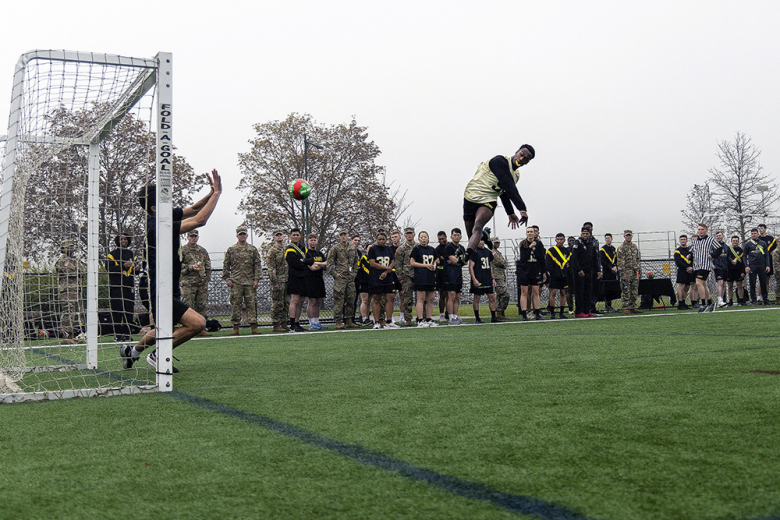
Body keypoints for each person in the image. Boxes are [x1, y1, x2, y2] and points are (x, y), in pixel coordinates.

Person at [122, 169, 222, 371]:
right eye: (164, 200)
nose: (169, 203)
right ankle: (159, 355)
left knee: (165, 328)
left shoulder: (165, 216)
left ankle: (131, 352)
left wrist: (211, 192)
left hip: (170, 286)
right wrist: (218, 194)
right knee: (198, 323)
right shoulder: (157, 226)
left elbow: (195, 209)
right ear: (154, 208)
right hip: (161, 289)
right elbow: (199, 220)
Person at [462, 145, 535, 259]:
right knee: (471, 235)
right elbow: (509, 186)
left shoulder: (515, 175)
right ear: (517, 151)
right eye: (521, 155)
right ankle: (483, 237)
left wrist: (510, 212)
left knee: (478, 225)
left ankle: (465, 257)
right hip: (472, 195)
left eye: (526, 159)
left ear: (527, 163)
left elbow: (504, 192)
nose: (521, 159)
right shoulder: (499, 161)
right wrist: (521, 208)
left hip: (489, 199)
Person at [223, 225, 263, 335]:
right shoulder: (231, 250)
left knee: (251, 304)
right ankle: (235, 327)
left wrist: (256, 279)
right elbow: (226, 265)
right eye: (240, 234)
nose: (242, 236)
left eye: (244, 234)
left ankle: (253, 326)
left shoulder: (252, 249)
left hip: (250, 282)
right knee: (236, 305)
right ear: (237, 236)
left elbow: (257, 265)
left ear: (247, 235)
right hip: (236, 282)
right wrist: (227, 279)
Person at [180, 230, 211, 336]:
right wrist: (190, 267)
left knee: (201, 305)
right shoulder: (182, 250)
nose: (194, 238)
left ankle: (200, 329)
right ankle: (187, 329)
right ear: (188, 237)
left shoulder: (202, 251)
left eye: (195, 236)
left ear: (198, 237)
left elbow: (207, 265)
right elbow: (178, 265)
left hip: (201, 283)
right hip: (188, 283)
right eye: (191, 236)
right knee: (187, 306)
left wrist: (207, 279)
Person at [106, 234, 137, 342]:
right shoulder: (112, 254)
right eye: (121, 239)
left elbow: (135, 271)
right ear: (117, 241)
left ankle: (128, 334)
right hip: (116, 288)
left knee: (129, 311)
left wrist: (137, 269)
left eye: (125, 239)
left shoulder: (131, 254)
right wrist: (123, 266)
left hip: (129, 287)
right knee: (117, 312)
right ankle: (118, 335)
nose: (124, 241)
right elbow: (109, 269)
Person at [327, 230, 360, 330]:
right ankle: (338, 321)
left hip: (350, 278)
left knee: (351, 300)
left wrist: (354, 274)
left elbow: (356, 262)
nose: (343, 236)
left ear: (348, 236)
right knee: (339, 301)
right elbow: (329, 262)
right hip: (340, 278)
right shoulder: (335, 248)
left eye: (345, 234)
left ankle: (349, 321)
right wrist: (334, 274)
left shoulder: (352, 247)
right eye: (341, 235)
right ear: (339, 237)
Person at [55, 239, 84, 344]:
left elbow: (82, 272)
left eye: (72, 246)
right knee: (67, 313)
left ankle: (72, 336)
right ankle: (66, 337)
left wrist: (78, 271)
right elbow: (69, 271)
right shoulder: (62, 260)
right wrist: (77, 271)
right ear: (63, 249)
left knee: (75, 314)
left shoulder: (74, 260)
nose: (71, 248)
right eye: (69, 247)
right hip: (67, 291)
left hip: (75, 290)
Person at [367, 232, 398, 329]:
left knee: (391, 297)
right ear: (376, 240)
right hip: (376, 277)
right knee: (376, 298)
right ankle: (376, 322)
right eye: (379, 239)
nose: (381, 241)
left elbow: (392, 261)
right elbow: (372, 263)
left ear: (386, 240)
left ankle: (389, 321)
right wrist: (385, 268)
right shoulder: (373, 249)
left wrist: (387, 271)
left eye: (383, 239)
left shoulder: (388, 249)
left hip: (388, 277)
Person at [286, 228, 314, 332]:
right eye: (294, 235)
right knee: (295, 301)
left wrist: (304, 261)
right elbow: (295, 263)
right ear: (290, 236)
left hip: (304, 277)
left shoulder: (303, 249)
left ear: (300, 236)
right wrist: (305, 263)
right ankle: (292, 324)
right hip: (294, 277)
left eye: (297, 235)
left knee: (301, 301)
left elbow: (311, 260)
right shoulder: (289, 249)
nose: (295, 236)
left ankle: (297, 323)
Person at [409, 231, 439, 327]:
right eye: (421, 237)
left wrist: (434, 265)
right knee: (421, 299)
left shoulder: (432, 249)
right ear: (419, 239)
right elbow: (412, 262)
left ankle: (428, 319)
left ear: (428, 239)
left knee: (431, 299)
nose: (424, 239)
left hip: (431, 277)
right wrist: (425, 265)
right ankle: (420, 320)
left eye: (425, 237)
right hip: (421, 277)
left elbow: (436, 260)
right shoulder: (416, 249)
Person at [570, 227, 601, 318]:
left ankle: (587, 311)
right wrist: (579, 269)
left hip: (589, 271)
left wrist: (598, 270)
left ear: (590, 234)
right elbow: (574, 259)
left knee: (588, 291)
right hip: (579, 272)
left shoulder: (592, 244)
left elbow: (595, 258)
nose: (585, 235)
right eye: (583, 233)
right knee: (579, 292)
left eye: (586, 233)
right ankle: (578, 311)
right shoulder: (578, 243)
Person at [517, 227, 546, 321]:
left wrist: (544, 272)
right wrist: (530, 248)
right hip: (524, 271)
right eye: (528, 232)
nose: (529, 233)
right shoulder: (523, 244)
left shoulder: (539, 244)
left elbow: (541, 258)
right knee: (524, 293)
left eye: (531, 232)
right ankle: (524, 314)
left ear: (535, 233)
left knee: (536, 292)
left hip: (535, 270)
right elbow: (523, 258)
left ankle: (537, 313)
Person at [468, 235, 498, 324]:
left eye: (482, 240)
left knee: (492, 296)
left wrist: (493, 278)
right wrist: (474, 279)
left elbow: (490, 266)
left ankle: (494, 317)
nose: (480, 242)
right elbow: (471, 267)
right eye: (479, 240)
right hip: (479, 278)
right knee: (477, 297)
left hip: (487, 278)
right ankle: (477, 318)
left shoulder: (488, 252)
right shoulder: (474, 252)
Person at [690, 223, 718, 313]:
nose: (700, 231)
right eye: (699, 229)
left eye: (702, 229)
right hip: (696, 266)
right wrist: (689, 256)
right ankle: (710, 302)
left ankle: (703, 303)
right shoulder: (694, 241)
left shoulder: (710, 240)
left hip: (705, 265)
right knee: (703, 284)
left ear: (706, 231)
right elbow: (691, 252)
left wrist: (712, 255)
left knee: (698, 282)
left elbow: (719, 249)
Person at [267, 230, 291, 332]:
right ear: (274, 238)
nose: (279, 236)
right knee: (277, 304)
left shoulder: (287, 249)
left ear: (284, 236)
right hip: (278, 281)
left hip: (287, 280)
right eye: (277, 235)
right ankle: (276, 324)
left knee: (286, 303)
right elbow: (271, 268)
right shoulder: (272, 251)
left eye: (280, 235)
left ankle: (284, 323)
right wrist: (274, 282)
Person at [443, 228, 466, 325]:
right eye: (454, 235)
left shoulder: (462, 248)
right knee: (451, 296)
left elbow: (465, 261)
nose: (456, 237)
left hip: (458, 274)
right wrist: (458, 260)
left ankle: (455, 317)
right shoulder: (448, 247)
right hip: (450, 274)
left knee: (457, 296)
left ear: (460, 237)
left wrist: (458, 261)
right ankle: (451, 317)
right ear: (451, 237)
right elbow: (454, 260)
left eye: (458, 235)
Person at [394, 227, 417, 326]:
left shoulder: (418, 246)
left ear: (414, 234)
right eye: (407, 234)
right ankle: (408, 318)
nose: (409, 235)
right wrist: (400, 277)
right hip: (407, 276)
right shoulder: (401, 248)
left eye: (411, 233)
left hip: (419, 275)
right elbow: (398, 264)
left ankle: (422, 317)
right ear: (405, 235)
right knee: (407, 298)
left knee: (421, 298)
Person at [616, 230, 642, 315]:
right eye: (627, 235)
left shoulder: (634, 247)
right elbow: (620, 261)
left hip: (634, 272)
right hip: (626, 272)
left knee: (634, 290)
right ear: (624, 236)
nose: (628, 237)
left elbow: (637, 259)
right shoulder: (621, 248)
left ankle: (632, 307)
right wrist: (622, 273)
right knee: (626, 290)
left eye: (629, 235)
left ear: (631, 236)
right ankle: (625, 307)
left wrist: (637, 269)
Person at [545, 233, 570, 320]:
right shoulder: (550, 251)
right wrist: (553, 272)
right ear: (555, 240)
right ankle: (552, 313)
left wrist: (566, 272)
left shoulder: (567, 251)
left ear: (564, 240)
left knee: (563, 292)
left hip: (564, 275)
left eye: (561, 239)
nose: (559, 241)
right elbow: (548, 264)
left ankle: (561, 313)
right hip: (554, 275)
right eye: (558, 239)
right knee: (553, 292)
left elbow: (569, 263)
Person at [744, 228, 770, 305]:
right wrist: (746, 266)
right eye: (752, 234)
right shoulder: (748, 244)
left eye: (755, 233)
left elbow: (766, 255)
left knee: (763, 283)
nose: (753, 235)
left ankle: (765, 300)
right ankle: (754, 300)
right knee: (752, 284)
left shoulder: (763, 243)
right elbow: (744, 256)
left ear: (758, 234)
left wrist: (768, 265)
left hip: (762, 265)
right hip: (752, 266)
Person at [353, 235, 371, 326]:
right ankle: (363, 318)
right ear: (366, 250)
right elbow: (359, 268)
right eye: (369, 248)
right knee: (364, 300)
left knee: (369, 301)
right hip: (363, 281)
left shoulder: (374, 259)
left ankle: (367, 318)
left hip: (372, 282)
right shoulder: (363, 258)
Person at [673, 235, 695, 310]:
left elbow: (693, 260)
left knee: (687, 287)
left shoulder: (690, 250)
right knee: (681, 287)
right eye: (681, 239)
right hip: (682, 271)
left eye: (684, 239)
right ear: (679, 241)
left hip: (689, 271)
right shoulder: (677, 251)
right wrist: (686, 267)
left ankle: (683, 302)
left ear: (686, 241)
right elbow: (678, 262)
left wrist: (691, 267)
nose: (683, 241)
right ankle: (680, 304)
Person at [490, 236, 509, 321]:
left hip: (501, 275)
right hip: (496, 276)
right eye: (495, 242)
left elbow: (504, 263)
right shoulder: (492, 252)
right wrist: (504, 263)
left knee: (500, 295)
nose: (497, 244)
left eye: (498, 242)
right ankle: (500, 311)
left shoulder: (497, 252)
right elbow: (501, 262)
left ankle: (500, 313)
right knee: (505, 294)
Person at [599, 233, 619, 312]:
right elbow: (602, 261)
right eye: (606, 238)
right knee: (607, 290)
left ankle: (610, 306)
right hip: (606, 272)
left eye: (609, 238)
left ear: (612, 239)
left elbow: (616, 260)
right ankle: (607, 306)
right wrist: (610, 268)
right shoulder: (602, 250)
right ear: (605, 240)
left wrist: (615, 267)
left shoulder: (614, 249)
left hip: (613, 273)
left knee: (612, 290)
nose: (608, 239)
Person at [758, 224, 777, 303]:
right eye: (759, 228)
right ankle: (758, 298)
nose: (760, 230)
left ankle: (766, 297)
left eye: (761, 228)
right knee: (760, 280)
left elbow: (776, 247)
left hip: (769, 262)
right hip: (760, 262)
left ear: (765, 229)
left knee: (767, 280)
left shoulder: (771, 239)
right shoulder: (757, 239)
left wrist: (774, 252)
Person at [726, 235, 746, 306]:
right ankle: (730, 301)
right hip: (729, 271)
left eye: (736, 241)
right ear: (731, 241)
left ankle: (741, 300)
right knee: (730, 286)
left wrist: (743, 271)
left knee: (739, 285)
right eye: (733, 241)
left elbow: (743, 262)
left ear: (738, 241)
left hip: (738, 270)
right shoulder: (728, 250)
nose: (735, 242)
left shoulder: (741, 250)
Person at [434, 231, 449, 322]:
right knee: (442, 294)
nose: (441, 240)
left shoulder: (450, 247)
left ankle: (449, 313)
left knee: (450, 295)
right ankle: (442, 314)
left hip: (450, 273)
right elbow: (438, 261)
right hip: (440, 274)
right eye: (440, 239)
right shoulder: (437, 249)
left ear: (446, 237)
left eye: (443, 238)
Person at [712, 231, 729, 308]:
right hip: (717, 267)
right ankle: (719, 300)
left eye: (719, 235)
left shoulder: (726, 247)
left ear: (722, 236)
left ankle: (722, 301)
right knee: (720, 283)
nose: (718, 237)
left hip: (725, 267)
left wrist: (731, 261)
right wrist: (712, 264)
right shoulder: (713, 246)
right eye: (717, 236)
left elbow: (728, 256)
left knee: (724, 284)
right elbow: (710, 255)